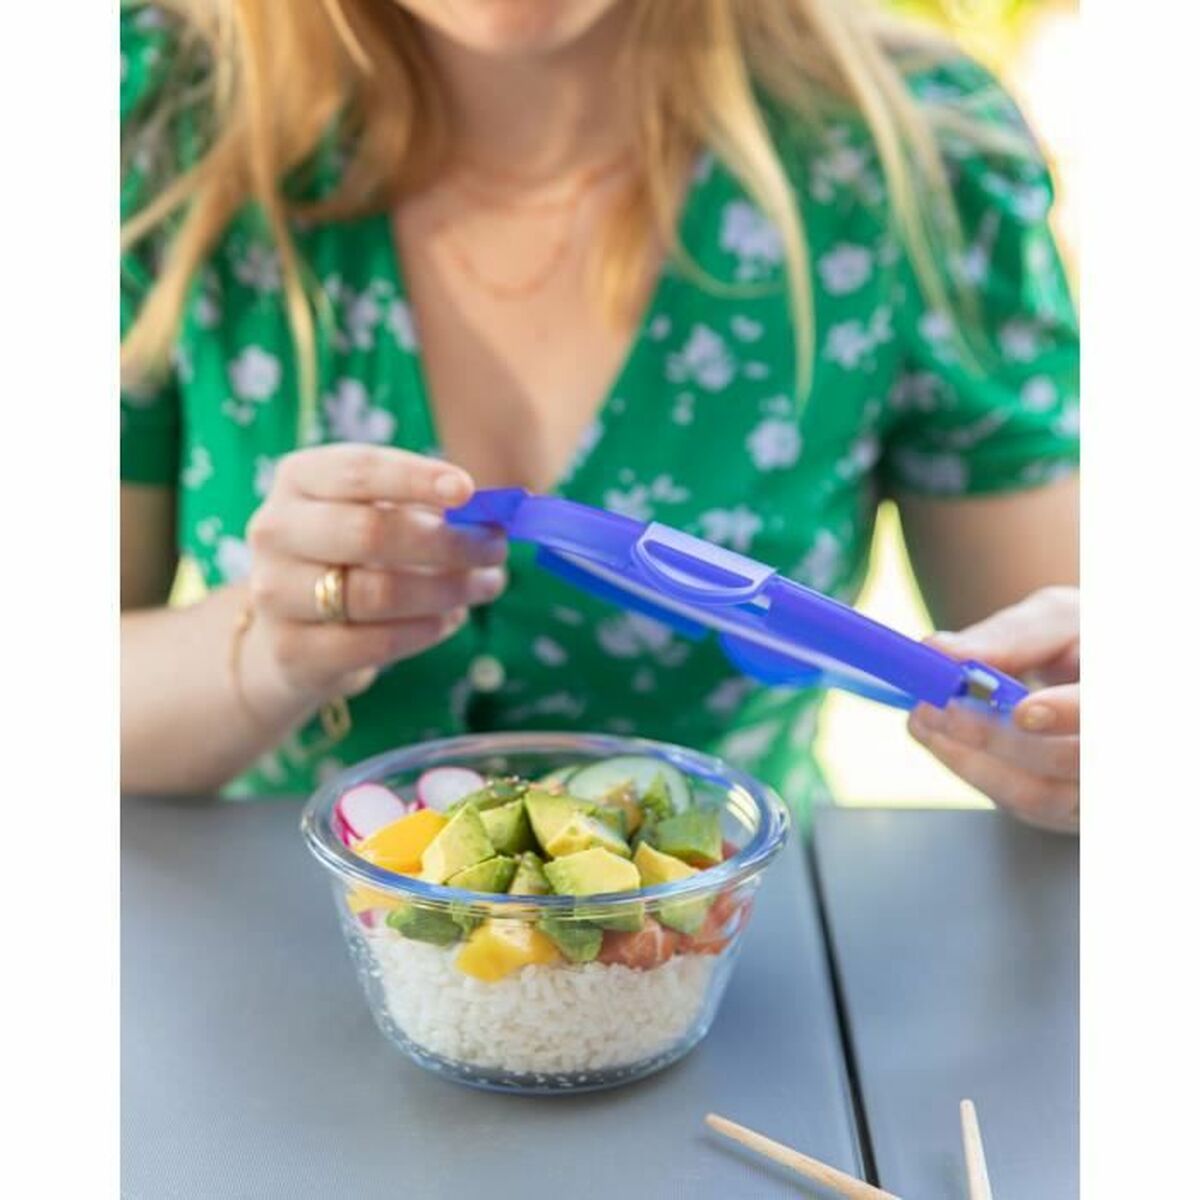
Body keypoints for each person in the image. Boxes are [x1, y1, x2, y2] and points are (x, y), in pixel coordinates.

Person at [120, 0, 1079, 831]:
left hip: (732, 954)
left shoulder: (917, 154)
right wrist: (266, 647)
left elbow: (1046, 677)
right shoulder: (151, 115)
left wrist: (1073, 742)